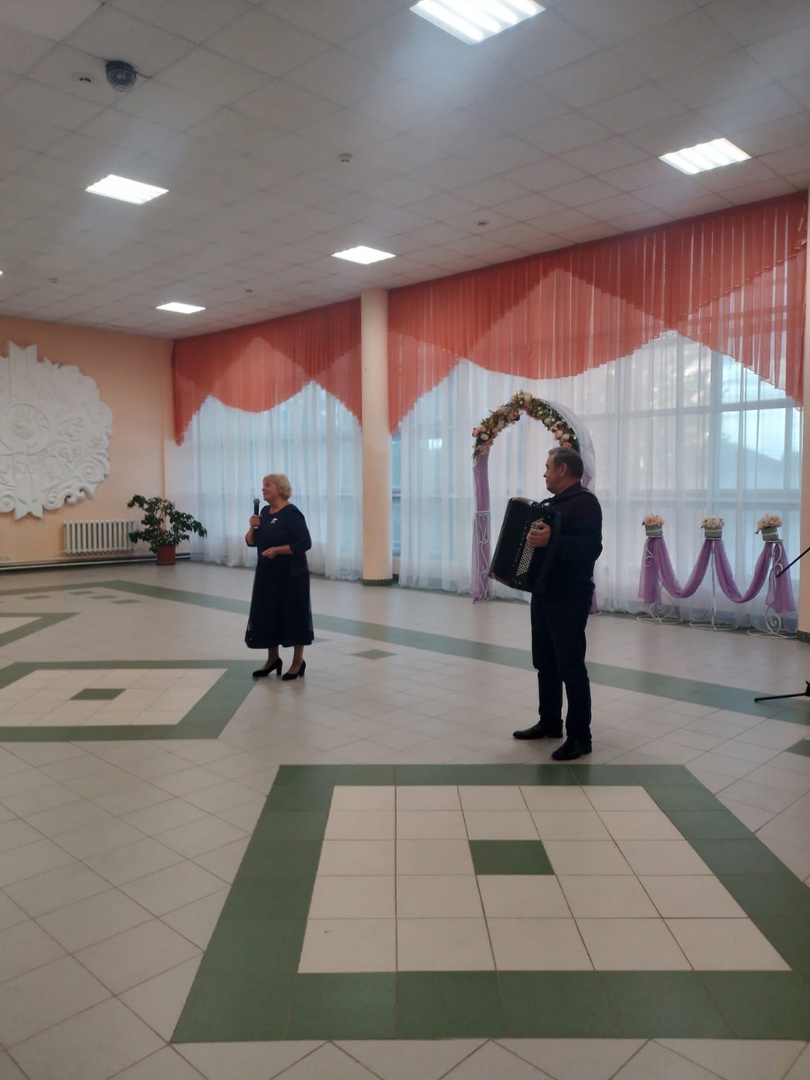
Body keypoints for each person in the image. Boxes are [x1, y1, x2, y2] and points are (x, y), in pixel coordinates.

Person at [512, 447, 602, 760]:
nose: (544, 473)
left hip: (570, 595)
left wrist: (553, 540)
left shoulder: (585, 503)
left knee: (570, 666)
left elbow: (590, 548)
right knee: (545, 661)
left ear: (563, 469)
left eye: (548, 467)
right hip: (544, 592)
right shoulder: (550, 506)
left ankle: (580, 736)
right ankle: (550, 721)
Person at [245, 473, 313, 680]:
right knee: (269, 615)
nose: (263, 489)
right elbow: (251, 542)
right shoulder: (264, 512)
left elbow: (305, 543)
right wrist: (251, 526)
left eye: (268, 485)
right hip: (267, 574)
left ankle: (297, 661)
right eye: (263, 485)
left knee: (294, 615)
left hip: (292, 575)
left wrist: (278, 550)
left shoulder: (292, 513)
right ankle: (273, 659)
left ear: (280, 489)